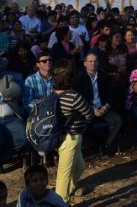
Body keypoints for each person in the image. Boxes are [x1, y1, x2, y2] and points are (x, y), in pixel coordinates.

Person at [52, 58, 94, 204]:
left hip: (60, 136)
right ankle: (60, 202)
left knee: (80, 166)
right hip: (70, 138)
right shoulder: (73, 96)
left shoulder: (52, 93)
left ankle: (69, 190)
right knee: (64, 174)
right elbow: (89, 114)